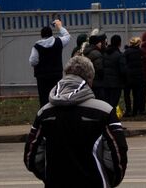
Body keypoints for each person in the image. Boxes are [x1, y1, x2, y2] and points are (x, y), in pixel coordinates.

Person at [24, 54, 128, 188]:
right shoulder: (104, 112)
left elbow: (31, 157)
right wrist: (108, 181)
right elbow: (118, 158)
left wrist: (48, 177)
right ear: (90, 80)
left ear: (65, 75)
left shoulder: (44, 113)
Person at [29, 19, 73, 107]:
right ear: (51, 34)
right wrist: (59, 26)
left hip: (42, 77)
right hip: (56, 75)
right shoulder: (58, 42)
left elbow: (33, 61)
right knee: (56, 95)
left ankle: (45, 113)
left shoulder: (37, 47)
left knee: (44, 97)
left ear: (41, 35)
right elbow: (67, 36)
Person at [124, 36, 146, 116]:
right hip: (138, 76)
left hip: (129, 76)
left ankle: (128, 110)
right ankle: (135, 111)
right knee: (136, 94)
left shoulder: (127, 52)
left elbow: (124, 63)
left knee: (127, 94)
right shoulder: (141, 51)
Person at [103, 36, 127, 109]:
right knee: (114, 103)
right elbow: (123, 70)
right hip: (116, 84)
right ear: (119, 43)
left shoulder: (104, 54)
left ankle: (106, 118)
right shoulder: (119, 55)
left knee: (107, 103)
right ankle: (112, 118)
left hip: (105, 83)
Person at [86, 34, 107, 101]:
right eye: (99, 42)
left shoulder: (86, 51)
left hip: (89, 81)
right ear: (96, 43)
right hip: (97, 82)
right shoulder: (97, 53)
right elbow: (100, 69)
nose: (101, 44)